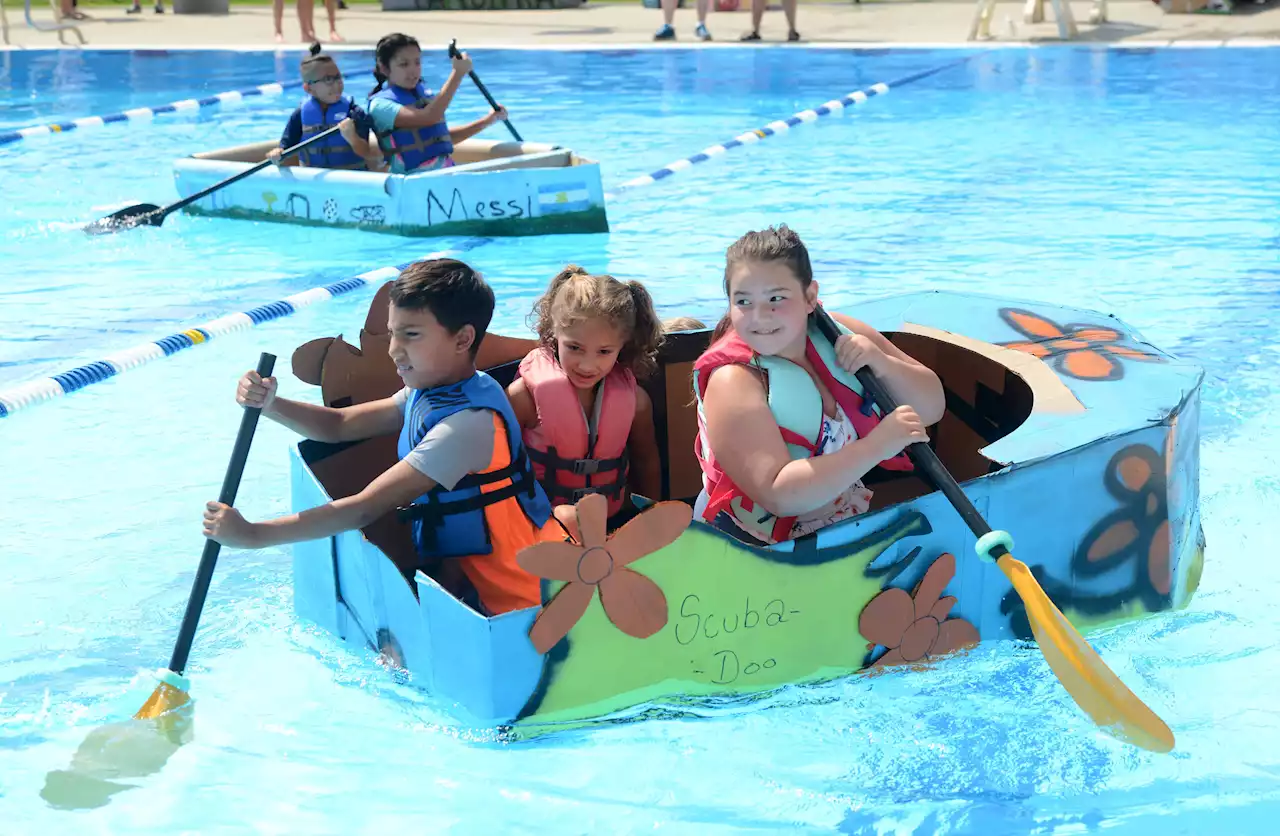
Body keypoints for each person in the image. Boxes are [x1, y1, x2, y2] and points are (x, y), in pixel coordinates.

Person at [202, 259, 557, 617]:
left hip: (524, 602)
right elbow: (339, 426)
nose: (393, 350)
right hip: (484, 587)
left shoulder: (465, 426)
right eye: (392, 334)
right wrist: (271, 404)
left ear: (463, 339)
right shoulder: (436, 391)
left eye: (411, 335)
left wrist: (253, 536)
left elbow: (363, 508)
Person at [692, 225, 945, 545]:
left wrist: (881, 363)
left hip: (839, 525)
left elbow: (932, 407)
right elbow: (779, 494)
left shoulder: (839, 333)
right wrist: (878, 445)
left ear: (810, 296)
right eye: (744, 301)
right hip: (748, 545)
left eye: (775, 298)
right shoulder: (733, 380)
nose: (760, 317)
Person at [507, 266, 664, 522]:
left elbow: (646, 461)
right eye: (575, 347)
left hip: (609, 524)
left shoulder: (637, 402)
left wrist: (651, 520)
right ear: (553, 333)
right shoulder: (522, 398)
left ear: (622, 346)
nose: (587, 365)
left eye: (604, 352)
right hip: (538, 528)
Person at [366, 33, 509, 175]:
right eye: (404, 64)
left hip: (444, 175)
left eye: (417, 62)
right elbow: (429, 117)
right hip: (411, 184)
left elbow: (442, 137)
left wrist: (489, 120)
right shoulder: (380, 106)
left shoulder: (421, 94)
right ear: (384, 68)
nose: (413, 70)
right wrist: (457, 73)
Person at [267, 44, 382, 171]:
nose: (337, 84)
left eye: (338, 77)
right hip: (315, 181)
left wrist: (352, 137)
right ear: (309, 88)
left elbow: (366, 152)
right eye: (328, 80)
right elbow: (286, 146)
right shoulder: (300, 115)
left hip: (349, 179)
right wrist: (277, 153)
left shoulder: (354, 113)